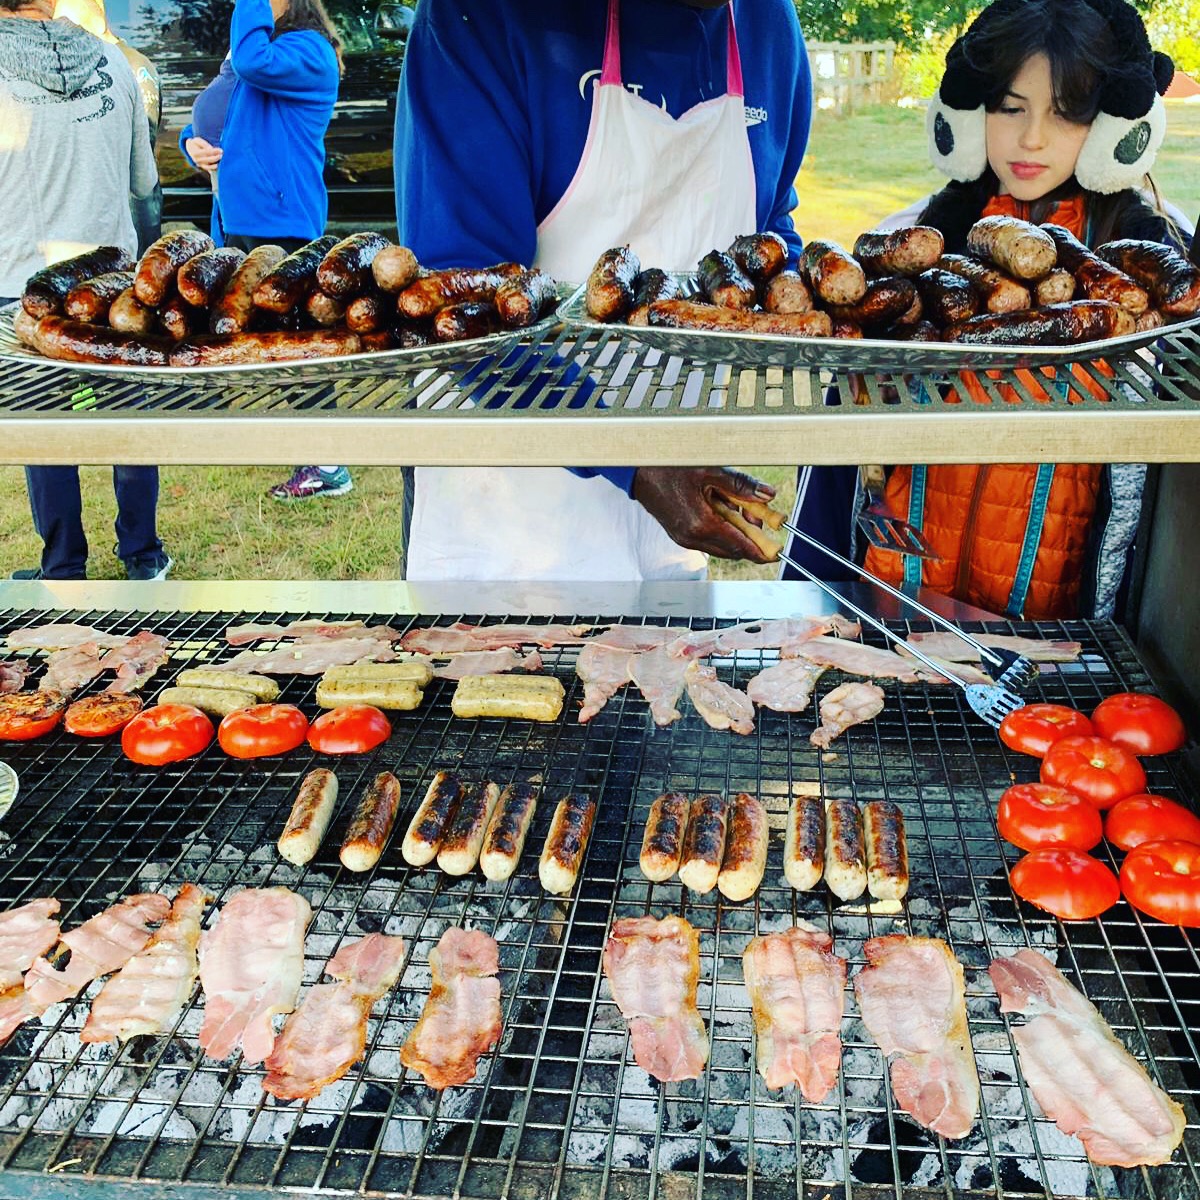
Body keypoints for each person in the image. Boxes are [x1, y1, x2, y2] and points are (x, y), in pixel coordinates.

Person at [785, 0, 1191, 620]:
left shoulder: (1154, 273)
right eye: (1011, 108)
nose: (1032, 138)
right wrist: (806, 594)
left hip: (1059, 625)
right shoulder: (908, 247)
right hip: (898, 600)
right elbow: (838, 449)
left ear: (1114, 129)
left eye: (1067, 112)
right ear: (970, 117)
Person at [393, 0, 814, 581]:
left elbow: (771, 231)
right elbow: (462, 306)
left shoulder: (768, 24)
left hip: (680, 474)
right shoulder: (477, 18)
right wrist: (633, 461)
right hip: (511, 507)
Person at [1, 0, 170, 580]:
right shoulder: (114, 61)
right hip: (113, 283)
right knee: (129, 421)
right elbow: (143, 182)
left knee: (45, 433)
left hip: (20, 282)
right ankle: (143, 557)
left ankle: (63, 568)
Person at [178, 0, 352, 503]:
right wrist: (193, 143)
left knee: (299, 344)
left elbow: (251, 64)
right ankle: (294, 445)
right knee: (263, 340)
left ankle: (328, 465)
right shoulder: (259, 49)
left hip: (283, 222)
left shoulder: (309, 52)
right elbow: (226, 109)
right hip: (239, 218)